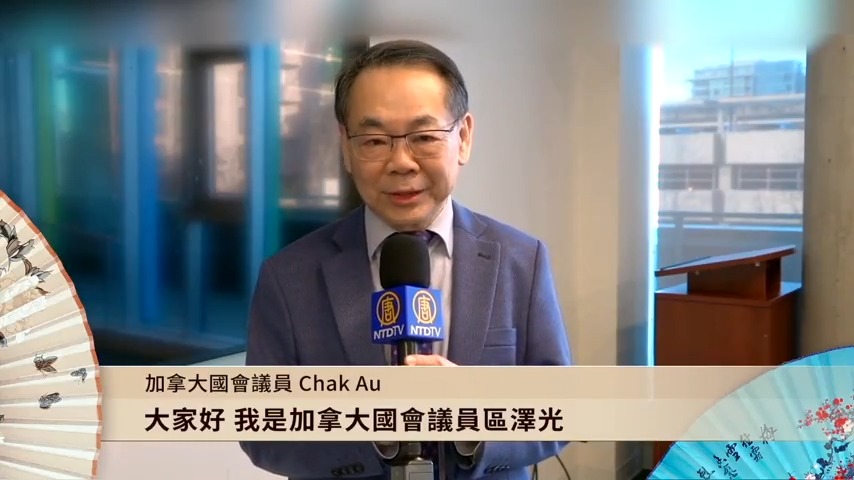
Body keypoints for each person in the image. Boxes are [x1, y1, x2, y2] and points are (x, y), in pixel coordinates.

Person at [240, 39, 572, 480]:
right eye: (375, 140)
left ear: (463, 138)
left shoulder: (521, 260)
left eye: (424, 137)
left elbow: (560, 410)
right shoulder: (288, 277)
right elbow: (262, 432)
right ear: (345, 146)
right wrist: (376, 429)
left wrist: (472, 421)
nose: (401, 162)